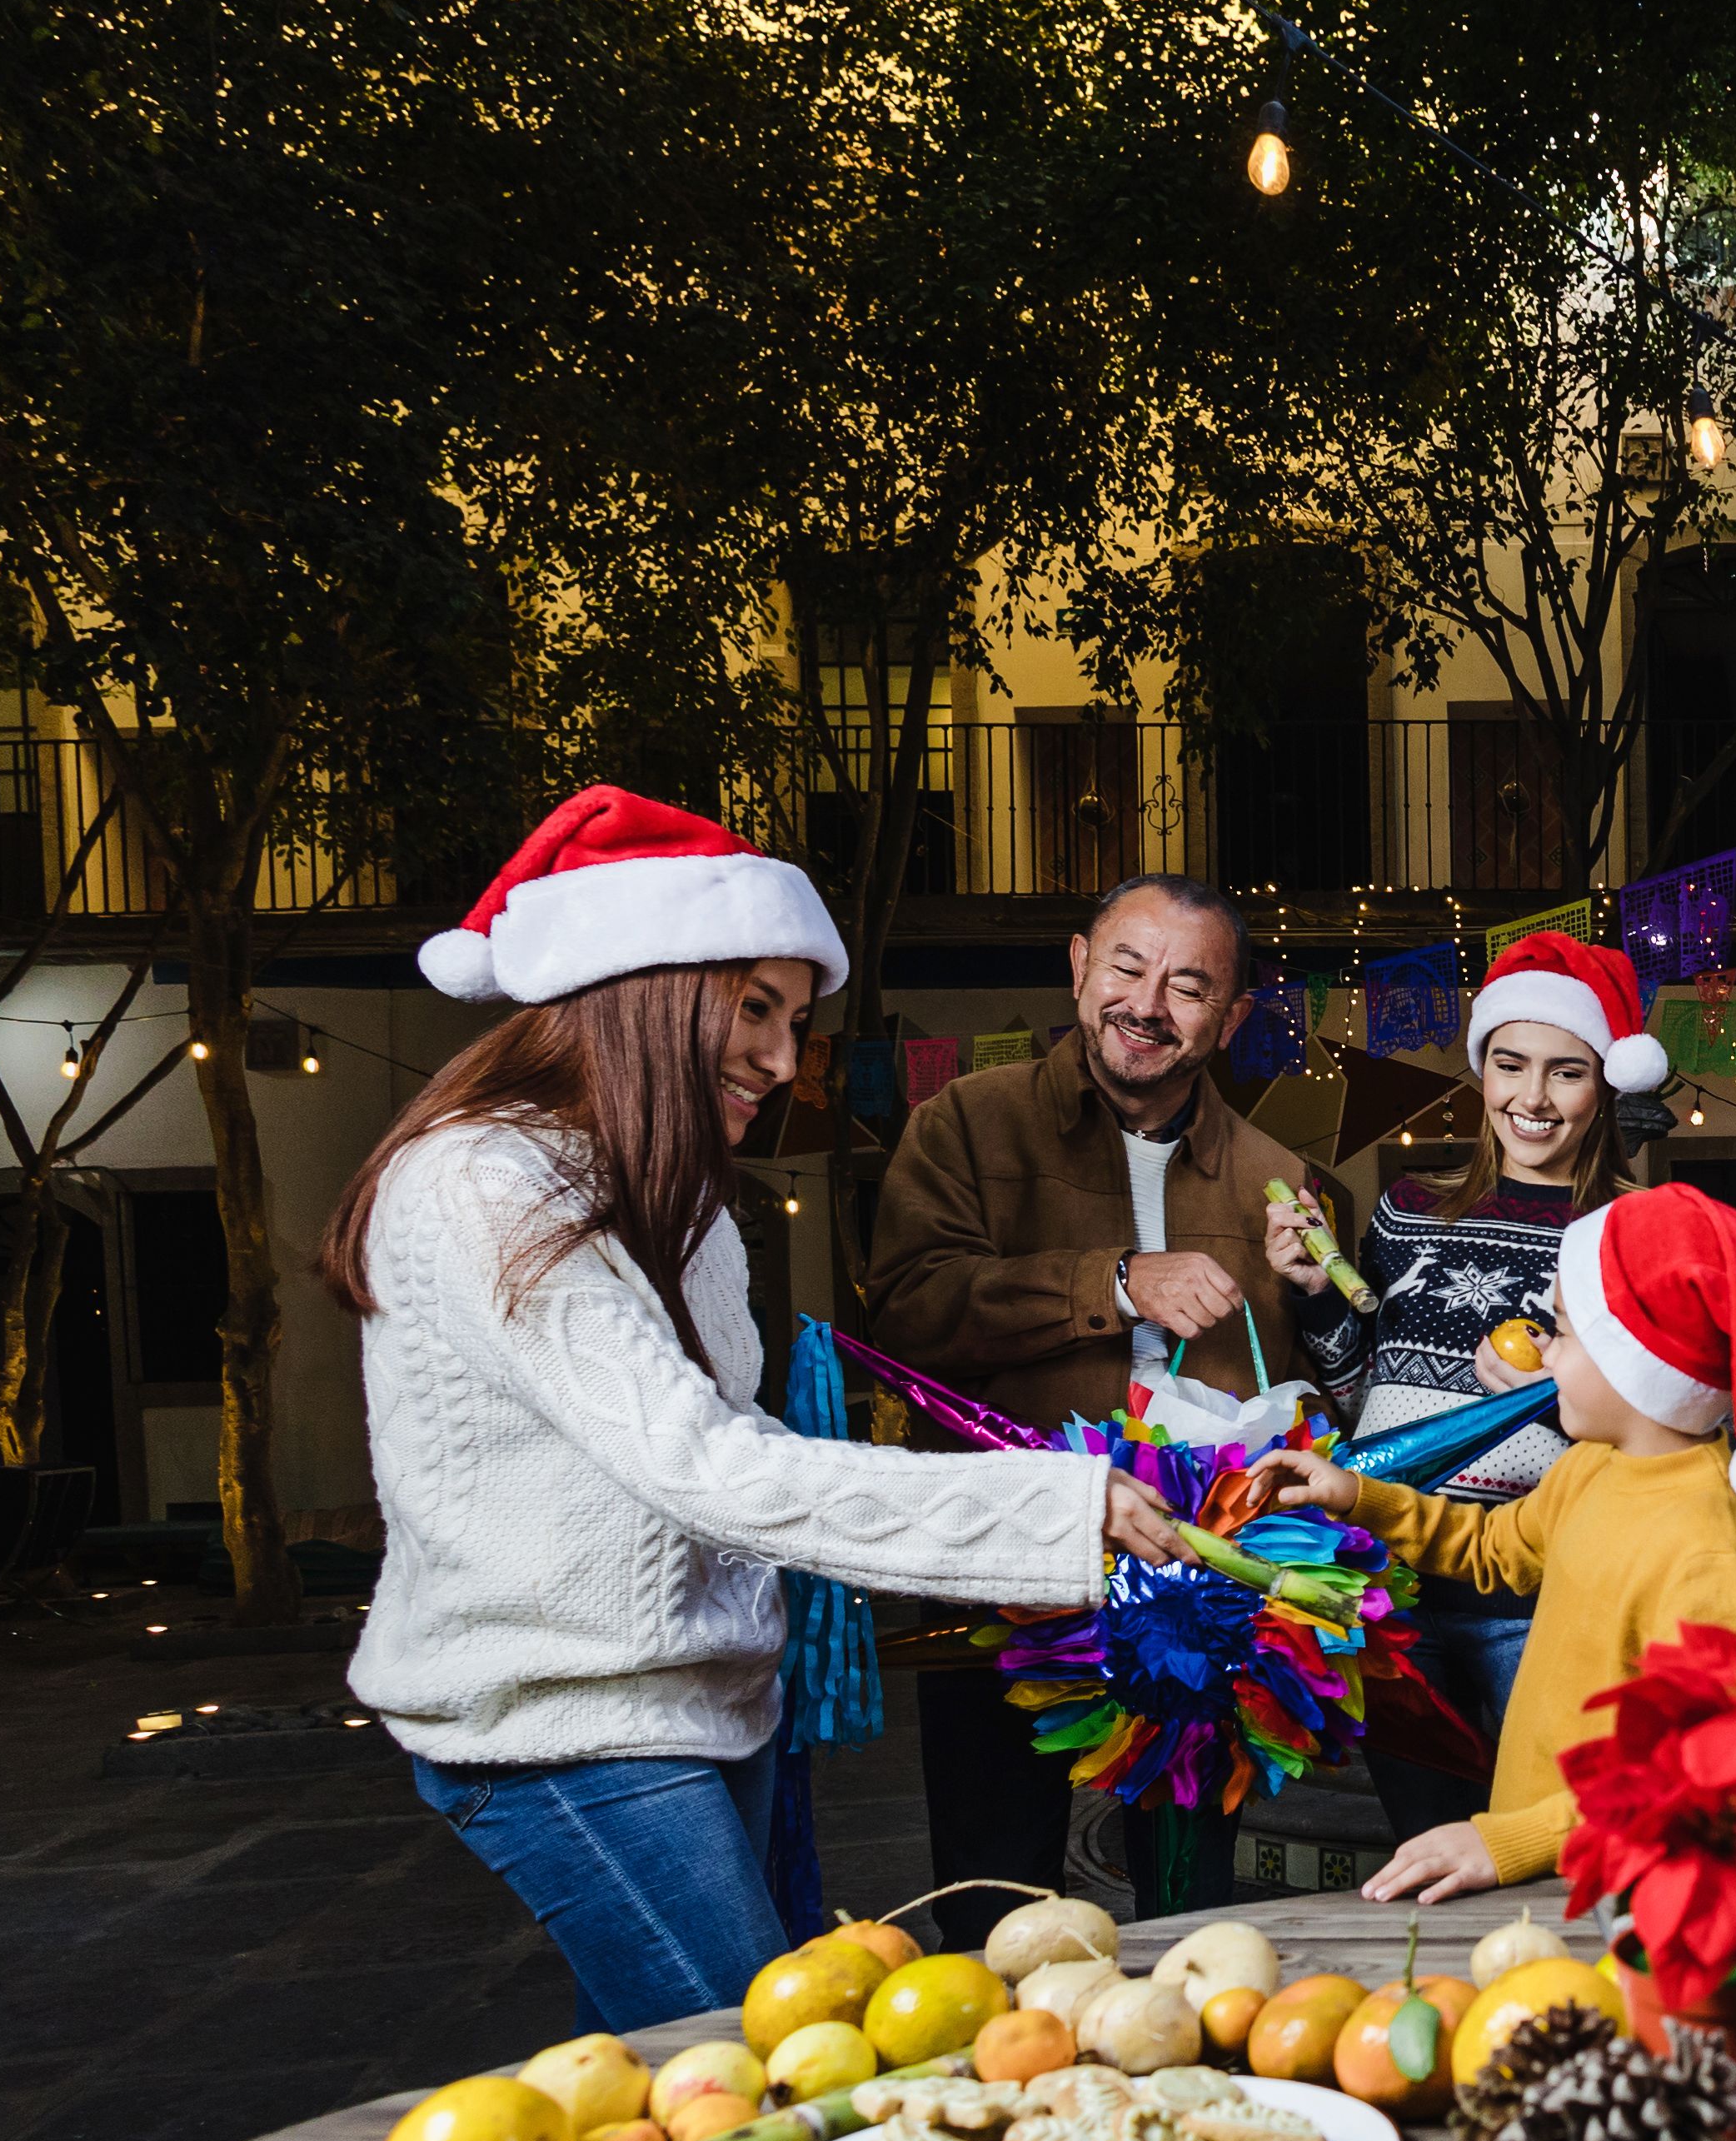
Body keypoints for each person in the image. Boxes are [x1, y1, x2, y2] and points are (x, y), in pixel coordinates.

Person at [332, 788, 1187, 2032]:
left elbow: (742, 1454)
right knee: (770, 2075)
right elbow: (709, 1469)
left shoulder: (677, 1198)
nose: (786, 1059)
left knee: (680, 2092)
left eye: (794, 1018)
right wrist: (1061, 1503)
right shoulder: (482, 1185)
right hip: (564, 1726)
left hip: (714, 1706)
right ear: (644, 986)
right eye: (755, 1009)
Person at [858, 871, 1339, 1929]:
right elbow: (910, 1312)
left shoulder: (1276, 1175)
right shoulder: (967, 1127)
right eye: (1126, 966)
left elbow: (1309, 1387)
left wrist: (1319, 1292)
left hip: (1200, 1601)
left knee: (1188, 1902)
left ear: (1232, 1017)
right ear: (1079, 969)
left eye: (1189, 986)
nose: (1147, 1004)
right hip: (1005, 1566)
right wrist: (1117, 1282)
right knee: (994, 1892)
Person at [1258, 1184, 1736, 1901]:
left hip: (1615, 1883)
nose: (1543, 1355)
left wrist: (1517, 1838)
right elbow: (1493, 1547)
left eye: (1565, 1332)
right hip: (1537, 1857)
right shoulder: (1594, 1467)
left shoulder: (1707, 1548)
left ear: (1637, 1358)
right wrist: (1360, 1497)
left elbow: (1701, 1771)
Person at [1293, 930, 1649, 1835]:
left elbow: (1662, 1438)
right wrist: (1312, 1295)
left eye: (1566, 1072)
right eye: (1510, 1064)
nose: (1532, 1099)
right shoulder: (1409, 1208)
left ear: (1605, 1083)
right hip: (1389, 1586)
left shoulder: (1631, 1234)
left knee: (1552, 1835)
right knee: (1427, 1842)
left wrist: (1544, 1402)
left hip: (1536, 1587)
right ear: (1481, 1068)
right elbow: (1353, 1389)